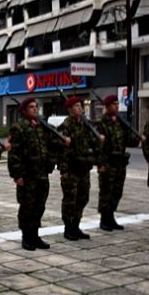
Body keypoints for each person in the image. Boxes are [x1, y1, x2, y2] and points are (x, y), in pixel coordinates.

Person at [8, 98, 66, 251]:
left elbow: (53, 142)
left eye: (36, 107)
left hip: (41, 174)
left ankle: (35, 235)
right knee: (27, 206)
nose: (35, 110)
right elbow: (14, 154)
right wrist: (16, 175)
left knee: (39, 206)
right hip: (27, 175)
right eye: (31, 107)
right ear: (24, 111)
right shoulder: (19, 128)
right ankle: (26, 237)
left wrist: (63, 141)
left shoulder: (41, 126)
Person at [58, 96, 102, 241]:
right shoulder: (66, 127)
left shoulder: (85, 125)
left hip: (84, 169)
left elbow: (92, 145)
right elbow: (61, 150)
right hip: (71, 169)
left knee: (83, 198)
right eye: (76, 106)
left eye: (80, 106)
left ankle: (76, 225)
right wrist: (63, 170)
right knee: (70, 200)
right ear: (69, 109)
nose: (79, 108)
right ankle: (68, 228)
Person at [96, 94, 141, 231]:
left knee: (117, 191)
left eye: (117, 103)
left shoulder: (120, 122)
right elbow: (98, 147)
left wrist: (136, 138)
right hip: (108, 163)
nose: (116, 106)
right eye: (114, 104)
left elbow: (127, 141)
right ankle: (104, 219)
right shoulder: (102, 123)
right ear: (108, 106)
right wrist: (101, 164)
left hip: (120, 163)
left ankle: (111, 217)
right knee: (106, 192)